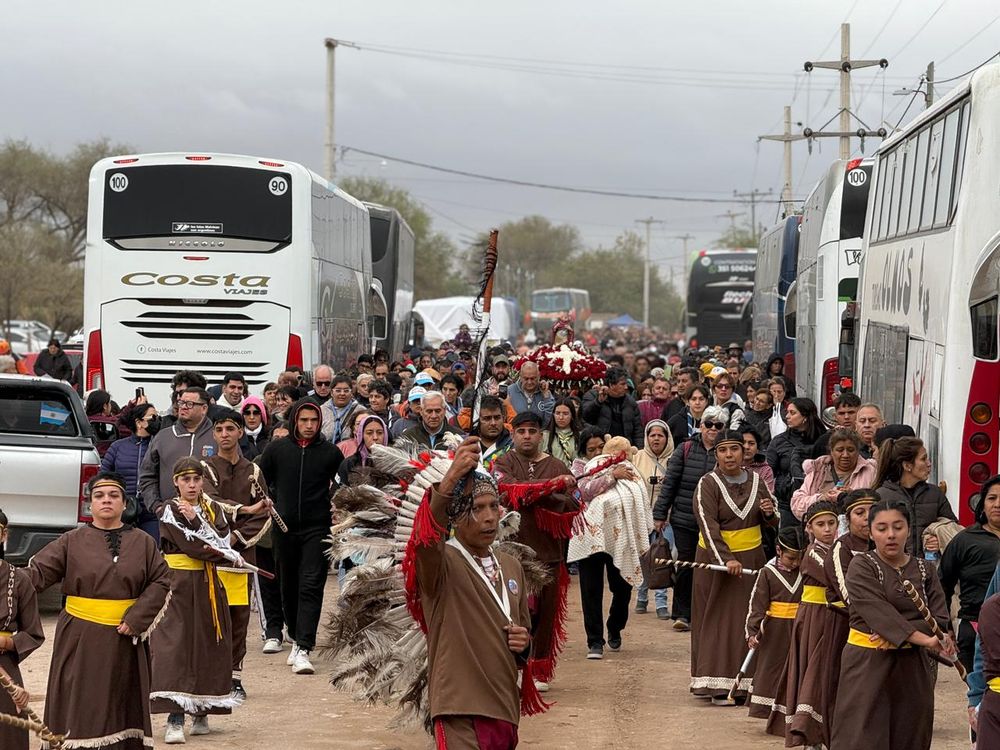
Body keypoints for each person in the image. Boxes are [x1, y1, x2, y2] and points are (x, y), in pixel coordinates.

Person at [30, 471, 170, 748]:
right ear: (90, 504)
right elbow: (34, 575)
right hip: (79, 638)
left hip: (125, 639)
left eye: (113, 495)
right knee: (80, 701)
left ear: (124, 503)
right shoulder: (70, 541)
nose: (106, 500)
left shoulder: (143, 542)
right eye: (99, 496)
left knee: (121, 701)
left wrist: (137, 618)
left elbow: (161, 580)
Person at [415, 438, 535, 747]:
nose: (490, 516)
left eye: (494, 506)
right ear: (454, 517)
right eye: (477, 509)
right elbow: (426, 540)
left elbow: (524, 634)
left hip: (505, 706)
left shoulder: (511, 566)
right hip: (459, 706)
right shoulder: (441, 562)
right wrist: (451, 478)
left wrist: (525, 643)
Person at [829, 499, 955, 750]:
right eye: (882, 528)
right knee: (862, 736)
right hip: (867, 663)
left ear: (908, 529)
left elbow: (939, 619)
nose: (890, 535)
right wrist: (922, 637)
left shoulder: (925, 569)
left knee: (910, 734)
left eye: (898, 527)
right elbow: (875, 610)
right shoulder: (862, 565)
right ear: (872, 532)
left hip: (912, 668)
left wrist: (898, 632)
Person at [151, 458, 240, 743]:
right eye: (185, 479)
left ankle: (201, 711)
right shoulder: (169, 509)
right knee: (174, 646)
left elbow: (225, 539)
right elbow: (193, 544)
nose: (191, 484)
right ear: (176, 482)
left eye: (196, 479)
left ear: (203, 481)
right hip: (176, 584)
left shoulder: (213, 508)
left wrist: (206, 528)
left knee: (208, 642)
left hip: (208, 584)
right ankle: (175, 717)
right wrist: (223, 552)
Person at [689, 430, 778, 704]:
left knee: (749, 618)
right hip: (716, 564)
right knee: (717, 620)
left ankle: (747, 685)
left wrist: (769, 513)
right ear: (716, 454)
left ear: (744, 452)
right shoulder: (708, 483)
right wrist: (725, 559)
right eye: (724, 450)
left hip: (752, 561)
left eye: (735, 449)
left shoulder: (757, 481)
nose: (730, 455)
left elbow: (772, 523)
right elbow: (708, 525)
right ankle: (715, 684)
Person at [256, 399, 344, 675]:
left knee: (311, 584)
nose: (308, 425)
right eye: (304, 420)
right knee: (288, 586)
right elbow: (259, 478)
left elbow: (342, 486)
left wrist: (335, 505)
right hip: (283, 529)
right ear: (295, 421)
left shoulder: (330, 453)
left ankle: (304, 646)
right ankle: (294, 634)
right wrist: (267, 502)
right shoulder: (277, 450)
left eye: (314, 421)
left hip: (316, 529)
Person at [493, 411, 579, 690]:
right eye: (521, 431)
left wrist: (546, 493)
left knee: (546, 613)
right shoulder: (504, 461)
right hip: (511, 554)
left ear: (541, 435)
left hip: (549, 553)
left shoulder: (557, 465)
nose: (527, 436)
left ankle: (539, 668)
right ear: (513, 434)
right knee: (514, 612)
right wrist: (545, 490)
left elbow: (571, 504)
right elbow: (504, 491)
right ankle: (513, 665)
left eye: (532, 431)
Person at [200, 413, 273, 701]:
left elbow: (265, 510)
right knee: (209, 617)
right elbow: (210, 501)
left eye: (230, 428)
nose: (224, 434)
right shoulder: (205, 468)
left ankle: (235, 676)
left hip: (241, 557)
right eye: (219, 429)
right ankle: (209, 675)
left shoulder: (253, 470)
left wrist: (236, 538)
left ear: (241, 432)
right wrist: (228, 531)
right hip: (211, 555)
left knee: (238, 617)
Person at [567, 436, 652, 659]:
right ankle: (594, 641)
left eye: (599, 448)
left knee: (622, 588)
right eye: (590, 449)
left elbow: (638, 492)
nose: (596, 453)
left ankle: (615, 626)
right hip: (590, 538)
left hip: (621, 537)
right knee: (590, 590)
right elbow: (583, 492)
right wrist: (610, 475)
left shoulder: (625, 466)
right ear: (584, 452)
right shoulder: (580, 468)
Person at [765, 500, 841, 746]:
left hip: (834, 617)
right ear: (810, 528)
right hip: (815, 618)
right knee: (813, 671)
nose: (827, 529)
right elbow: (838, 582)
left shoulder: (839, 550)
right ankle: (808, 730)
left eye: (832, 523)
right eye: (821, 524)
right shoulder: (813, 554)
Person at [652, 405, 728, 631]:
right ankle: (682, 614)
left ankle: (705, 613)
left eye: (718, 425)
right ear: (700, 425)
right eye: (708, 424)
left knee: (710, 566)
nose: (712, 429)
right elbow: (670, 483)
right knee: (686, 564)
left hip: (715, 522)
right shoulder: (685, 449)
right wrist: (659, 514)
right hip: (685, 519)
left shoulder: (726, 452)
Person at [940, 473, 1000, 671]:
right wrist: (945, 628)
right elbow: (942, 586)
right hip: (974, 630)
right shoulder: (965, 540)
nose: (998, 504)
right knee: (980, 695)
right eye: (992, 498)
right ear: (982, 503)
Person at [744, 526, 804, 720]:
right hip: (774, 632)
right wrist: (752, 632)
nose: (795, 563)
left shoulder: (806, 572)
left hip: (800, 628)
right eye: (790, 558)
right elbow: (757, 604)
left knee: (796, 669)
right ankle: (766, 710)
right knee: (771, 668)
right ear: (779, 551)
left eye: (799, 558)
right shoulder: (767, 573)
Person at [0, 508, 44, 750]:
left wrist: (7, 643)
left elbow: (34, 633)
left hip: (5, 663)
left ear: (4, 535)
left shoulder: (19, 580)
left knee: (10, 732)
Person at [874, 436, 957, 557]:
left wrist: (940, 539)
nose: (929, 463)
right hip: (892, 570)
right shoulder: (881, 496)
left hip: (930, 570)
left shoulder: (935, 494)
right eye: (923, 459)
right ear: (907, 466)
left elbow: (952, 528)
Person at [138, 387, 216, 514]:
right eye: (181, 403)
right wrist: (157, 506)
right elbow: (147, 476)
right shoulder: (163, 437)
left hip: (211, 518)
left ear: (204, 408)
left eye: (190, 404)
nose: (183, 407)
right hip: (170, 518)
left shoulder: (219, 436)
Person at [632, 419, 675, 617]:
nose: (656, 439)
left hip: (666, 518)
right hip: (640, 517)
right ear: (646, 437)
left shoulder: (675, 459)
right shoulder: (637, 457)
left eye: (660, 435)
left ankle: (661, 603)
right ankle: (641, 597)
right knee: (642, 558)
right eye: (652, 435)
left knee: (661, 558)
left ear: (667, 438)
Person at [102, 401, 161, 539]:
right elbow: (103, 476)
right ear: (139, 422)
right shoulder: (118, 447)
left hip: (151, 511)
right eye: (152, 417)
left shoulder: (159, 445)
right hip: (122, 510)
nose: (156, 421)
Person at [766, 397, 827, 528]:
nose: (787, 416)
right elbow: (769, 471)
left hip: (819, 500)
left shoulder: (824, 440)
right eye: (787, 412)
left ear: (805, 416)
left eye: (792, 413)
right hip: (786, 503)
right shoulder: (779, 441)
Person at [791, 428, 876, 520]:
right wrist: (821, 498)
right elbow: (797, 503)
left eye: (850, 450)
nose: (845, 455)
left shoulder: (869, 471)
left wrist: (851, 495)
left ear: (858, 451)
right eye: (840, 450)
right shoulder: (817, 471)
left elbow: (875, 503)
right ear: (831, 451)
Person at [581, 366, 644, 447]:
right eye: (622, 384)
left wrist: (639, 451)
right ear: (611, 385)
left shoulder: (631, 402)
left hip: (625, 448)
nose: (626, 387)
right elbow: (585, 418)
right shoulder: (593, 395)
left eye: (626, 384)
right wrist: (598, 402)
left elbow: (638, 431)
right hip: (601, 447)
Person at [336, 414, 389, 486]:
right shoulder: (350, 464)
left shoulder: (393, 463)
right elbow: (338, 492)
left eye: (380, 433)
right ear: (361, 436)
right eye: (369, 433)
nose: (375, 437)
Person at [811, 393, 863, 458]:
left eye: (851, 412)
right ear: (835, 416)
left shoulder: (866, 438)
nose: (846, 417)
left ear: (860, 413)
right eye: (841, 413)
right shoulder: (824, 441)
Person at [472, 395, 514, 472]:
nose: (493, 423)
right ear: (478, 420)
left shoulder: (513, 446)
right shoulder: (467, 443)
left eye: (497, 417)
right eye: (487, 418)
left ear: (503, 418)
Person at [666, 383, 711, 449]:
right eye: (693, 399)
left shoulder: (712, 422)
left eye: (701, 399)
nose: (697, 403)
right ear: (687, 401)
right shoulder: (675, 421)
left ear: (706, 401)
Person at [320, 375, 362, 443]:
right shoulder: (321, 411)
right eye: (338, 390)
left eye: (346, 391)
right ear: (331, 392)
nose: (342, 394)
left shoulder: (360, 411)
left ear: (351, 393)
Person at [542, 397, 582, 468]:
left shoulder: (580, 435)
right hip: (551, 476)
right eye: (557, 413)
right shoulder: (544, 435)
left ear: (572, 415)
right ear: (553, 414)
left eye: (565, 414)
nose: (561, 417)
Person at [740, 425, 774, 492]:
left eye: (751, 443)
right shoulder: (727, 466)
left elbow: (767, 495)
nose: (746, 447)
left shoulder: (765, 470)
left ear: (757, 449)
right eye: (743, 443)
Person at [239, 395, 270, 460]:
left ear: (262, 415)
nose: (251, 417)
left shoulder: (271, 436)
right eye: (247, 413)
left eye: (256, 413)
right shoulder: (237, 437)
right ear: (243, 416)